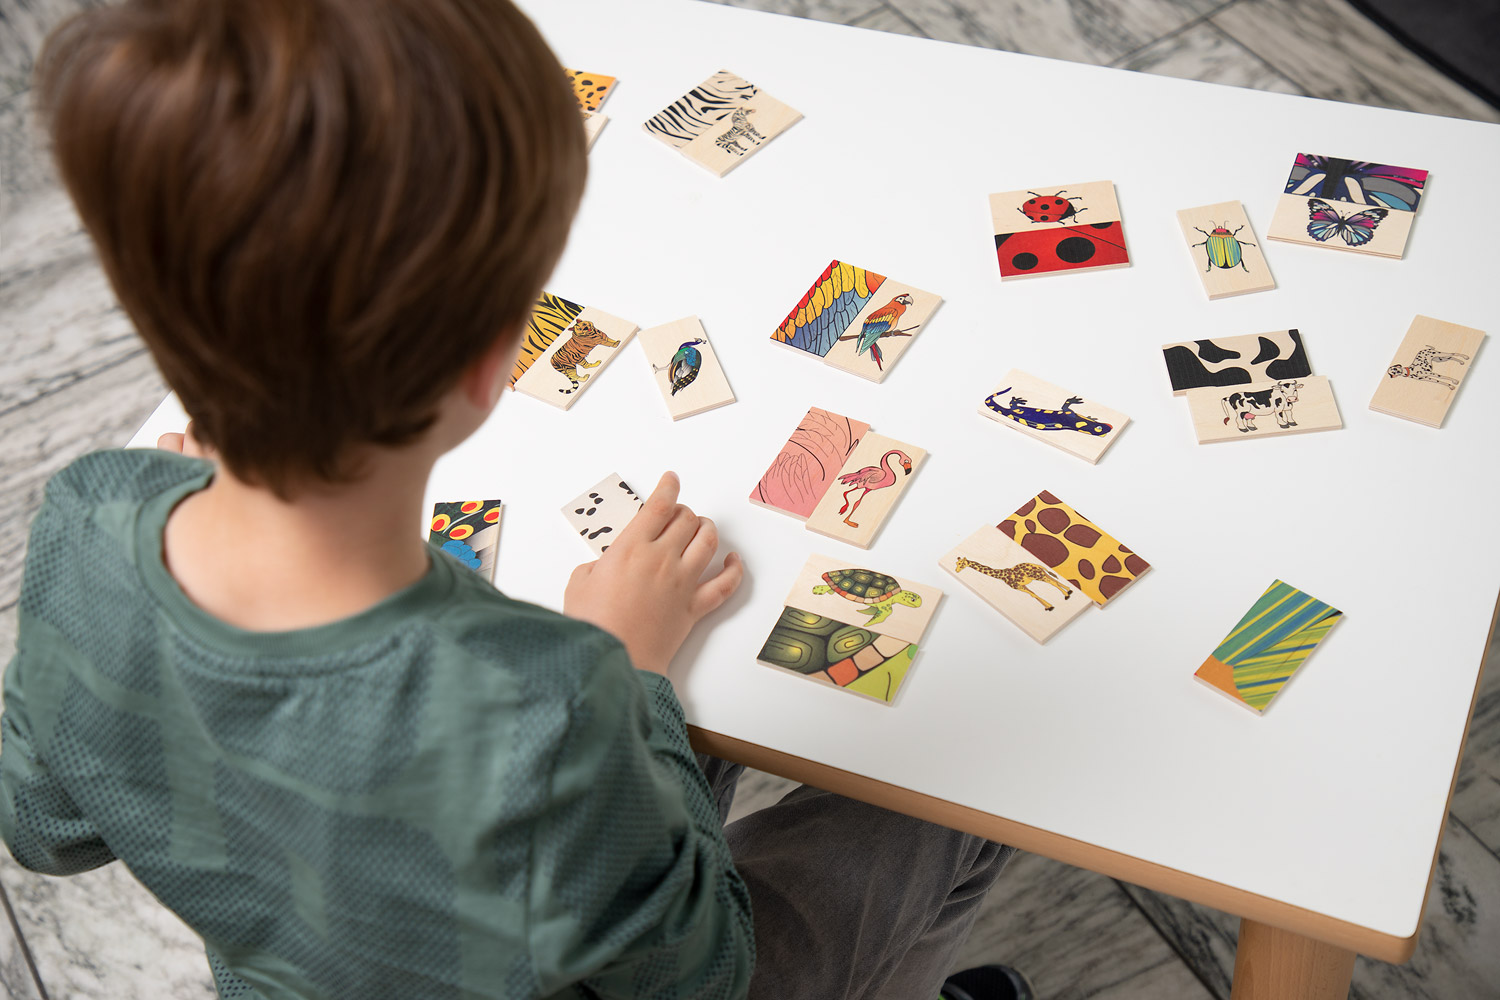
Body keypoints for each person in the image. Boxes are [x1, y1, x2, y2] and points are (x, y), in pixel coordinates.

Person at [0, 1, 1029, 996]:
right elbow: (702, 976)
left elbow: (41, 827)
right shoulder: (553, 702)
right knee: (971, 798)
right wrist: (630, 672)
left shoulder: (91, 516)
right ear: (494, 360)